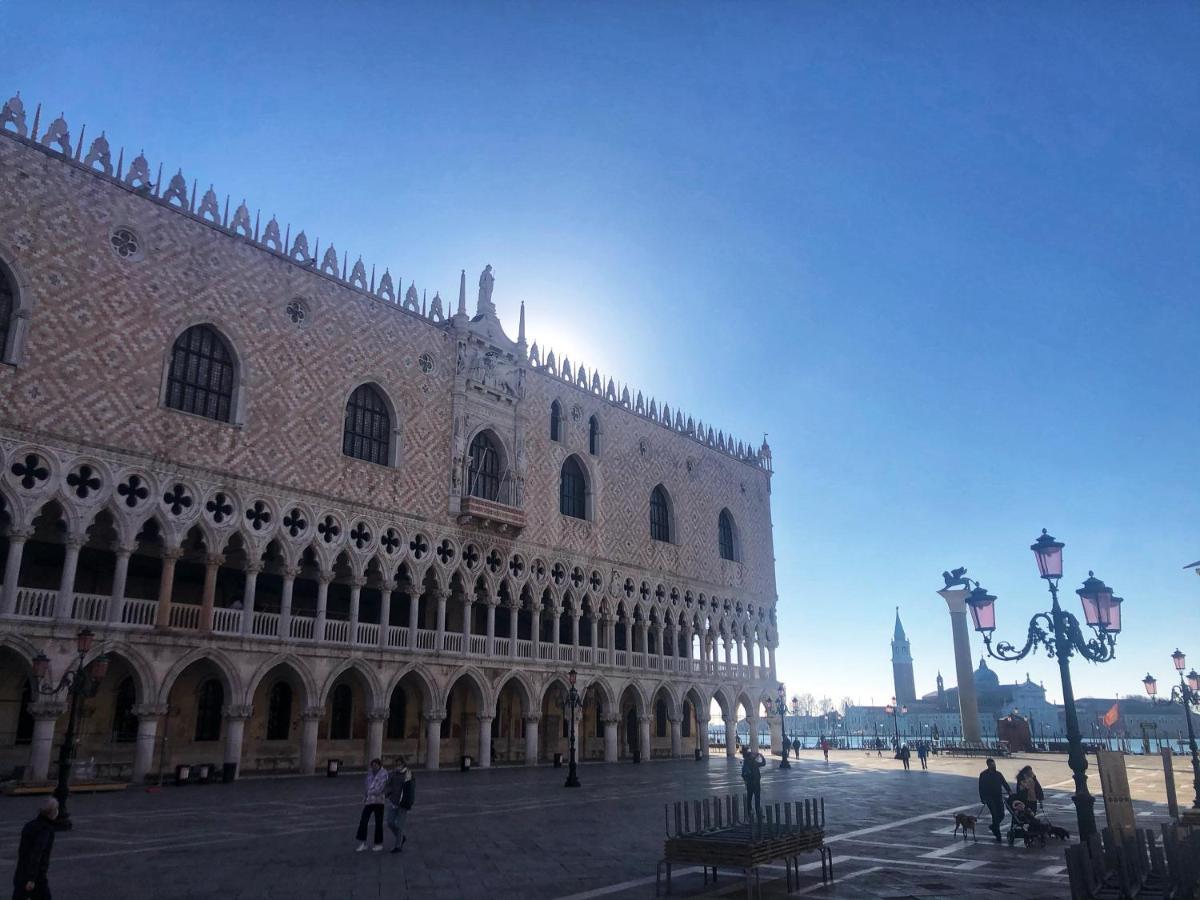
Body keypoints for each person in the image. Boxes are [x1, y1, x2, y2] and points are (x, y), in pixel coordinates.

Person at [13, 797, 57, 900]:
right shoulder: (46, 829)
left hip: (21, 872)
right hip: (36, 876)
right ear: (52, 812)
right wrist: (32, 878)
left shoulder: (29, 825)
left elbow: (23, 851)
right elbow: (37, 853)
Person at [355, 758, 389, 852]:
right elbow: (366, 784)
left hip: (379, 801)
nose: (374, 767)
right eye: (372, 766)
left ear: (379, 765)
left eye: (375, 766)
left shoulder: (384, 774)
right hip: (369, 801)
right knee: (363, 821)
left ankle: (378, 843)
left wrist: (369, 791)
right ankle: (362, 843)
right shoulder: (370, 773)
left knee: (378, 822)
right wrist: (366, 795)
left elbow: (380, 788)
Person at [384, 756, 415, 853]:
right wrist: (388, 793)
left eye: (399, 764)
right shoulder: (393, 773)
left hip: (403, 802)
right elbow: (388, 784)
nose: (397, 766)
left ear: (403, 764)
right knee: (390, 822)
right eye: (396, 764)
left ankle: (398, 846)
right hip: (393, 801)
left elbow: (411, 789)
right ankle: (401, 837)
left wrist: (409, 801)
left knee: (400, 825)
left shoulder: (409, 774)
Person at [978, 757, 1012, 841]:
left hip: (998, 796)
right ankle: (998, 833)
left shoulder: (998, 774)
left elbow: (1004, 783)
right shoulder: (983, 774)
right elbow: (981, 787)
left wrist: (1009, 790)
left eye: (994, 764)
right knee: (994, 814)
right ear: (988, 765)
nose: (994, 766)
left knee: (1001, 814)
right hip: (989, 797)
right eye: (992, 764)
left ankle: (993, 826)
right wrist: (982, 798)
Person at [741, 746, 765, 819]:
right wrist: (762, 756)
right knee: (757, 799)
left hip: (749, 783)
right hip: (756, 783)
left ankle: (749, 812)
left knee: (749, 798)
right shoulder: (754, 763)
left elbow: (743, 774)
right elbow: (763, 763)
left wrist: (746, 781)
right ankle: (758, 814)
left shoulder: (746, 762)